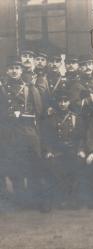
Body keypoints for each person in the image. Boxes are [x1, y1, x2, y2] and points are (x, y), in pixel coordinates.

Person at [0, 56, 49, 212]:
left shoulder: (30, 88)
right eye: (11, 68)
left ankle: (39, 200)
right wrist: (9, 116)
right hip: (9, 133)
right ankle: (20, 200)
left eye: (17, 68)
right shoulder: (2, 89)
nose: (14, 71)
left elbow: (39, 112)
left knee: (34, 166)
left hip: (28, 132)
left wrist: (22, 116)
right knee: (15, 167)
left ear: (22, 70)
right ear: (7, 71)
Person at [42, 90, 86, 209]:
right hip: (58, 151)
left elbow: (81, 136)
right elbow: (47, 138)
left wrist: (81, 149)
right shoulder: (50, 119)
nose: (62, 104)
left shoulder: (76, 118)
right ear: (57, 103)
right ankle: (62, 197)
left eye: (65, 101)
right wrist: (49, 151)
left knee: (78, 164)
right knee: (53, 165)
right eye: (60, 101)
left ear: (69, 102)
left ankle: (73, 198)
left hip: (73, 149)